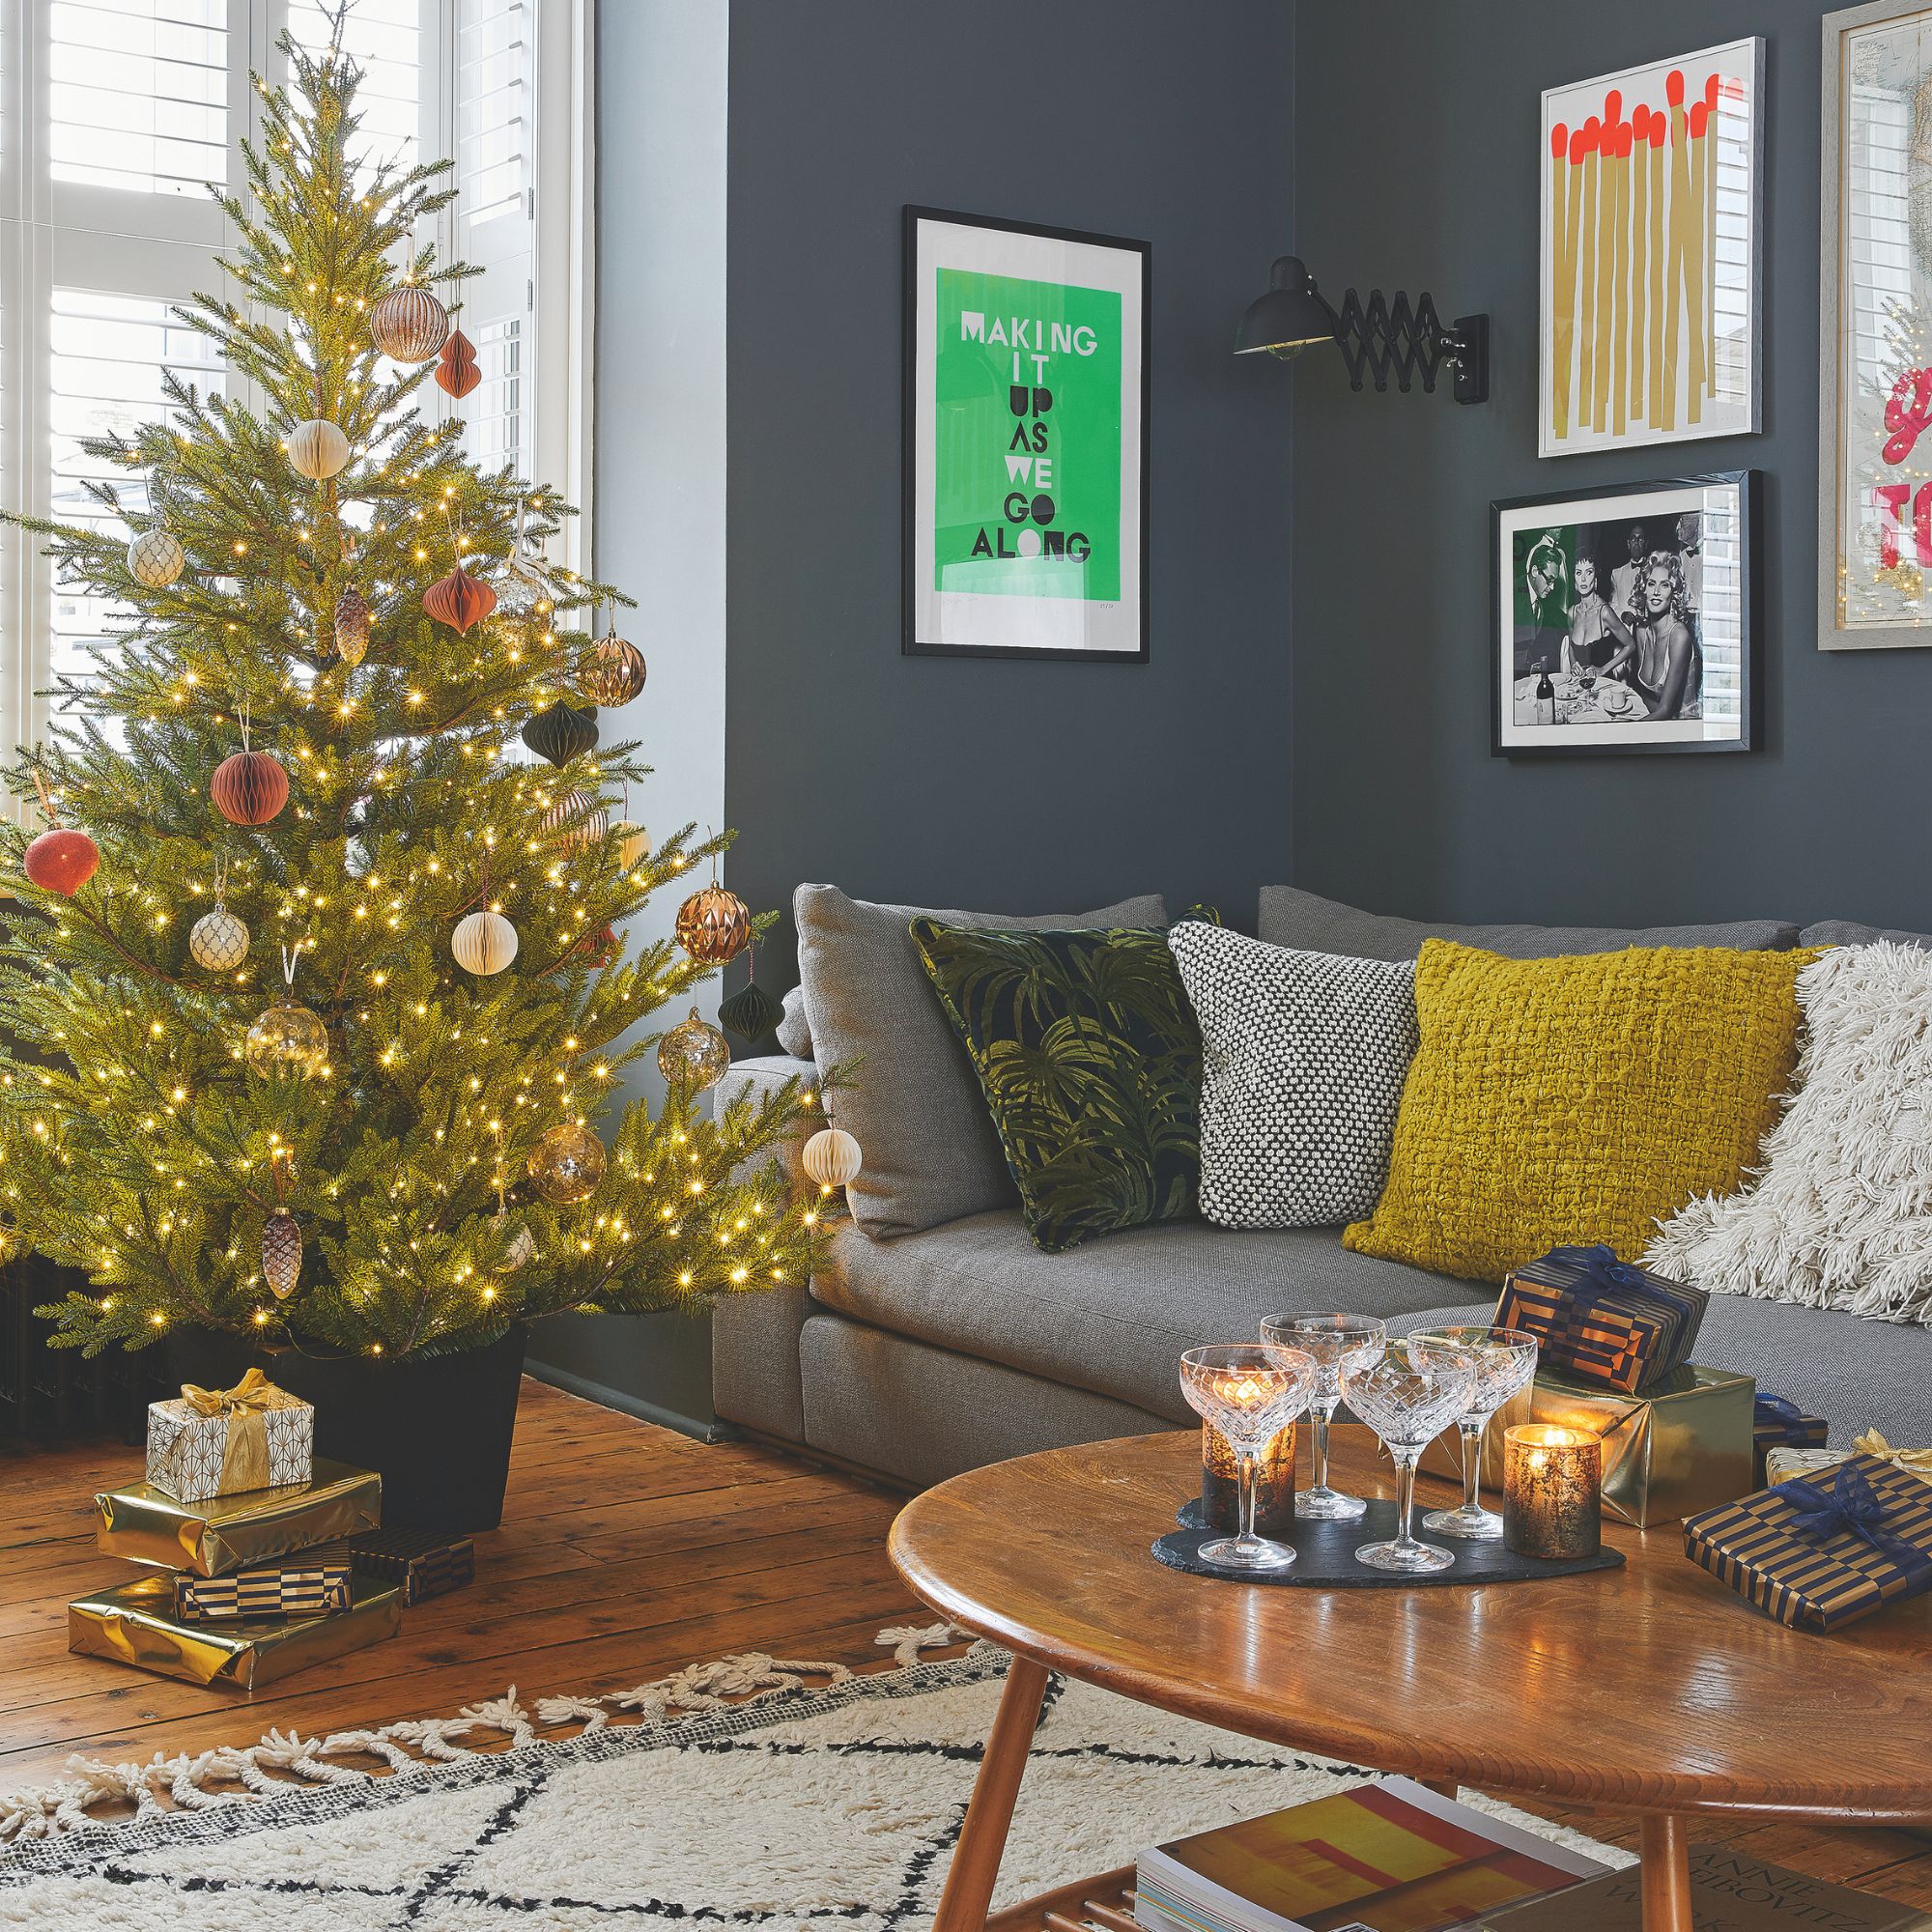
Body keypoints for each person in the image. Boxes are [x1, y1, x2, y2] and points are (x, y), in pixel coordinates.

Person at [1627, 551, 1701, 720]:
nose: (1657, 592)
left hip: (1680, 728)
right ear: (1643, 588)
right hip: (1650, 719)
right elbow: (1644, 695)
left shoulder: (1679, 636)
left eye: (1665, 585)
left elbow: (1666, 711)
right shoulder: (1641, 632)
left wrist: (1627, 731)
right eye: (1652, 584)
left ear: (1673, 592)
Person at [1561, 554, 1636, 674]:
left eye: (1589, 572)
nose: (1583, 579)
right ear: (1574, 579)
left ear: (1595, 578)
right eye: (1579, 573)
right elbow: (1570, 646)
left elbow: (1631, 645)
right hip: (1580, 685)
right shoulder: (1572, 612)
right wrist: (1573, 663)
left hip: (1602, 687)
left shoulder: (1604, 612)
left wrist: (1603, 669)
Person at [1609, 524, 1648, 616]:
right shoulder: (1617, 574)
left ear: (1646, 544)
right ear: (1628, 544)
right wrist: (1622, 614)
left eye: (1641, 539)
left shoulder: (1654, 571)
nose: (1637, 543)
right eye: (1633, 539)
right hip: (1625, 628)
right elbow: (1612, 604)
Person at [1674, 511, 1702, 618]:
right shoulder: (1682, 555)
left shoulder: (1708, 552)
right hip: (1686, 616)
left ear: (1697, 525)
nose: (1678, 527)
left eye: (1683, 520)